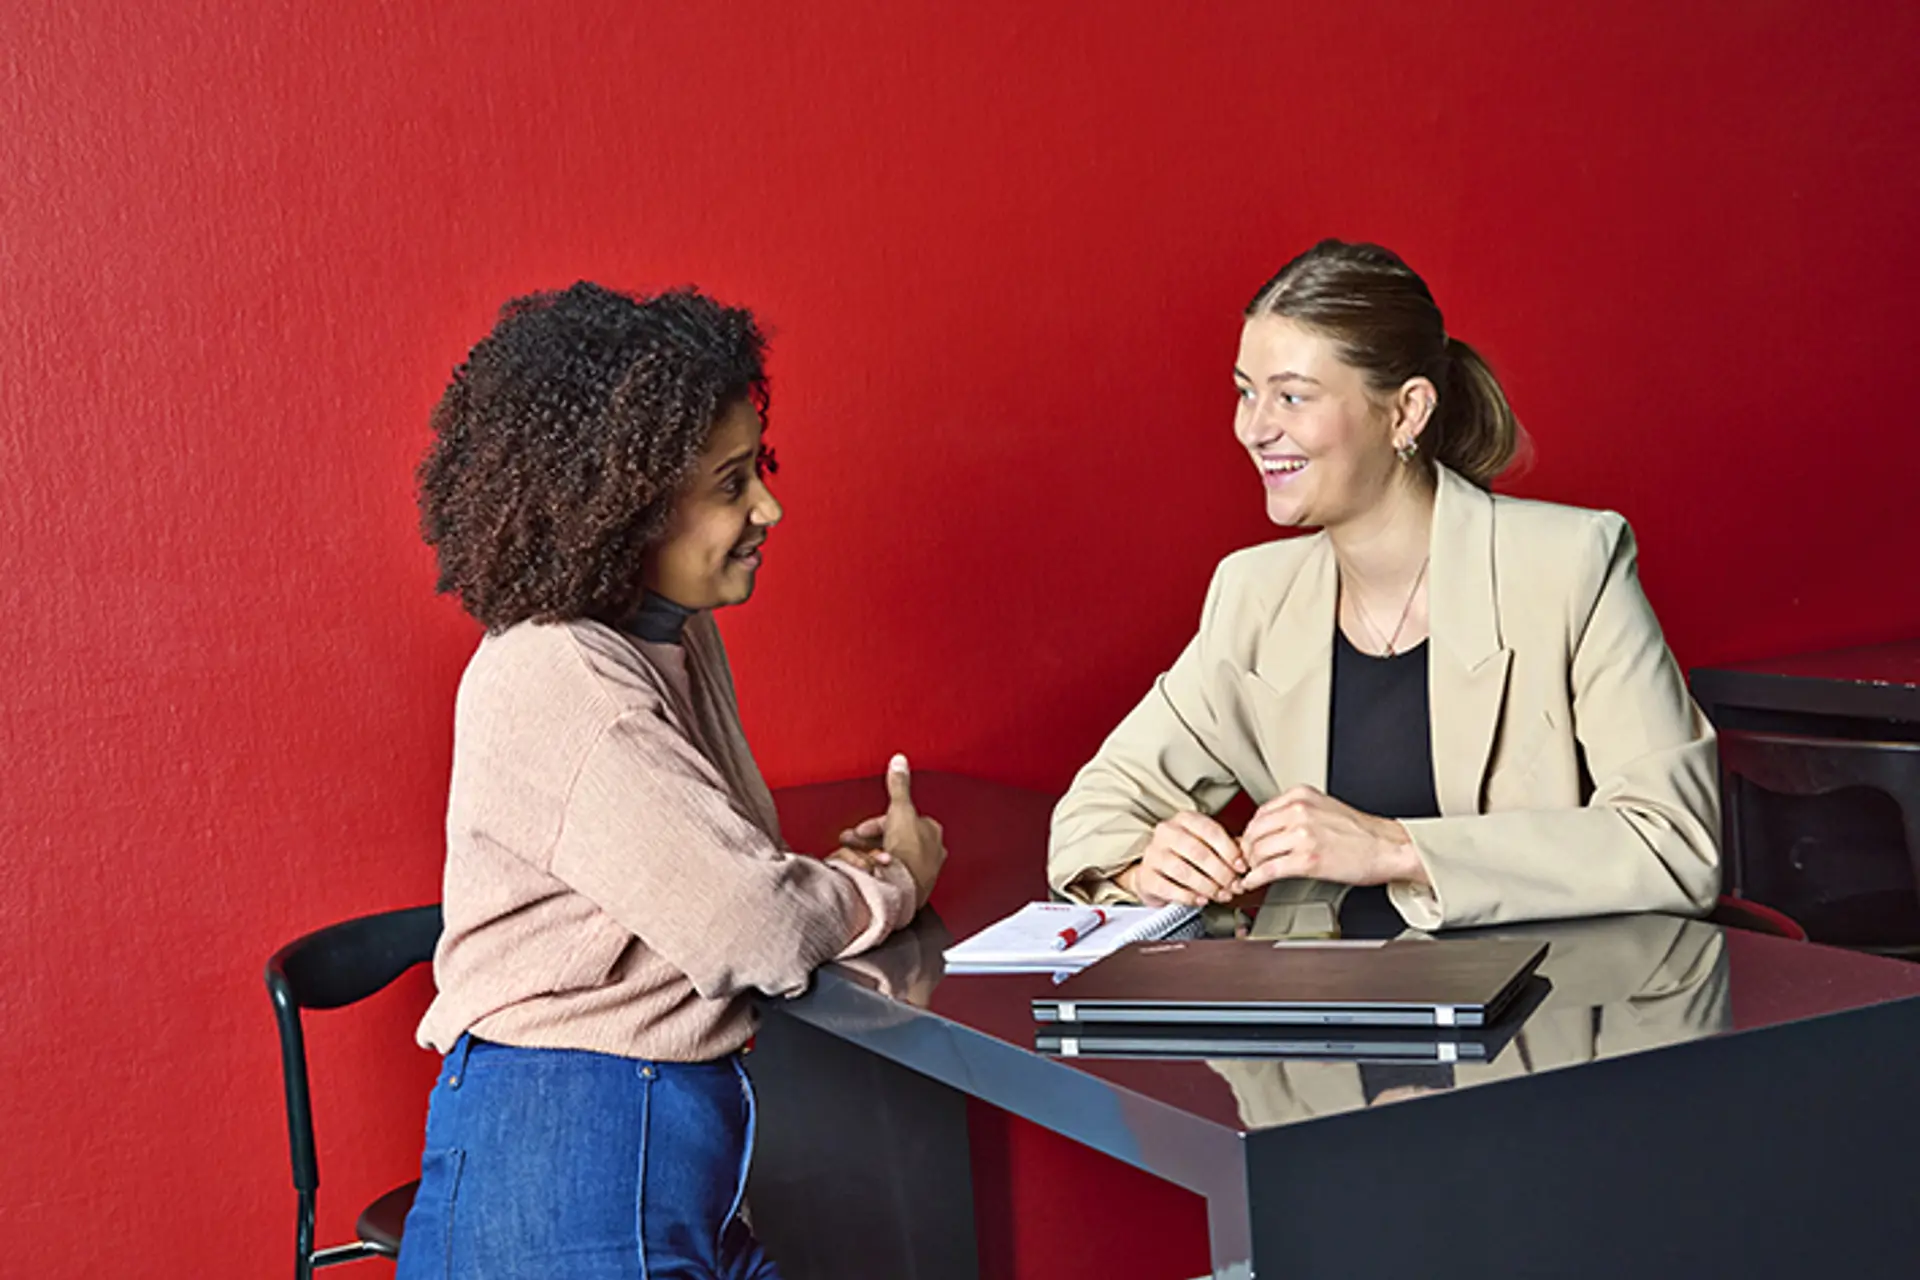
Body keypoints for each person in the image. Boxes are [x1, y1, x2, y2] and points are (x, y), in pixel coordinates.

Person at [395, 282, 944, 1280]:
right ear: (626, 505)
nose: (768, 506)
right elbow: (751, 928)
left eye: (758, 468)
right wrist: (895, 879)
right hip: (568, 1152)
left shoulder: (668, 635)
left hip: (655, 1145)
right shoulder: (562, 675)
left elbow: (711, 880)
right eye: (732, 482)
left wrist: (812, 876)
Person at [1047, 240, 1718, 938]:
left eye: (1292, 396)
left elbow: (1673, 842)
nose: (1254, 428)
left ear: (1407, 413)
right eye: (1246, 392)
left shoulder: (1572, 566)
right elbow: (1094, 807)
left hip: (1532, 1027)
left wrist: (1395, 849)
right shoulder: (1253, 593)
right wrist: (1141, 866)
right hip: (1314, 1035)